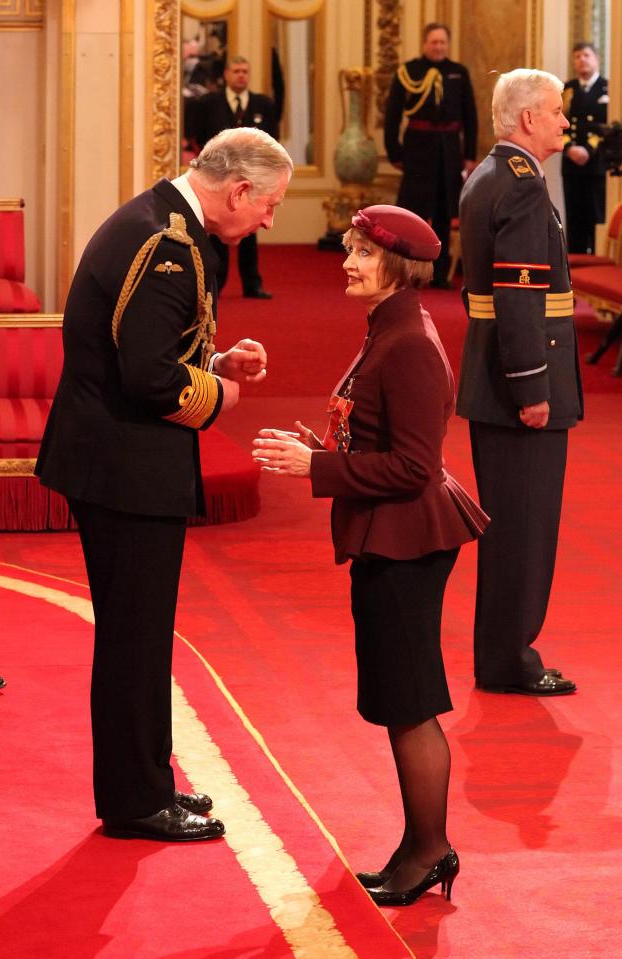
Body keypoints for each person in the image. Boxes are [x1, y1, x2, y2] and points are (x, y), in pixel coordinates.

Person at [36, 127, 293, 841]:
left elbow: (153, 340)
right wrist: (222, 396)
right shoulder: (170, 246)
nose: (269, 219)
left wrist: (217, 355)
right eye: (269, 204)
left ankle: (148, 779)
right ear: (238, 189)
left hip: (120, 457)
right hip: (124, 464)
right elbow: (148, 377)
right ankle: (135, 800)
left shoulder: (165, 221)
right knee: (133, 638)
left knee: (141, 636)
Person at [252, 205, 488, 906]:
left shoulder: (409, 340)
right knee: (397, 698)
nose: (347, 262)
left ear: (399, 265)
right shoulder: (389, 324)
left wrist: (315, 470)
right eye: (349, 249)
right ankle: (417, 844)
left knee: (411, 702)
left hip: (409, 540)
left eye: (360, 252)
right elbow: (383, 440)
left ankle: (431, 850)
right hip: (391, 534)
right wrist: (327, 453)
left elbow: (415, 467)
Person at [457, 69, 583, 696]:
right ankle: (509, 661)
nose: (565, 121)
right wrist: (533, 388)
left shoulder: (488, 176)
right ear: (528, 118)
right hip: (522, 387)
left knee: (511, 526)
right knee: (523, 531)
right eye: (558, 111)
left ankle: (503, 654)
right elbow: (517, 298)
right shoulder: (522, 188)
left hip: (494, 375)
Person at [383, 22, 478, 289]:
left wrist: (469, 155)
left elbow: (470, 117)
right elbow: (392, 115)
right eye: (433, 42)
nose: (438, 47)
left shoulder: (459, 73)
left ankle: (439, 271)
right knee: (413, 214)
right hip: (417, 151)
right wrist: (394, 151)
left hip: (449, 152)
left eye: (442, 42)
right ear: (425, 44)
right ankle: (409, 270)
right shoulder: (409, 72)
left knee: (444, 214)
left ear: (448, 45)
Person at [195, 55, 279, 299]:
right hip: (219, 180)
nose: (241, 75)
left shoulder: (263, 104)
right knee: (218, 233)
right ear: (226, 75)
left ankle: (252, 284)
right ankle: (216, 283)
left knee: (250, 232)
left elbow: (271, 141)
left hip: (252, 181)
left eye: (245, 71)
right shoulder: (209, 103)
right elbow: (200, 138)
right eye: (236, 71)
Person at [562, 42, 608, 254]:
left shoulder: (607, 88)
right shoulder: (566, 89)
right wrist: (569, 148)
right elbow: (558, 122)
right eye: (577, 56)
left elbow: (607, 126)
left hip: (596, 164)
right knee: (574, 216)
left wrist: (587, 150)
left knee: (595, 216)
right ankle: (575, 267)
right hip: (571, 163)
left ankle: (595, 261)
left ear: (596, 59)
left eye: (586, 55)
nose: (582, 59)